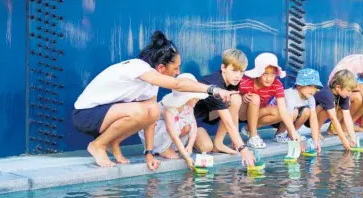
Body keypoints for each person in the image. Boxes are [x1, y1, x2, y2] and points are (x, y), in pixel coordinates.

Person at [72, 31, 238, 169]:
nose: (177, 72)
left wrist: (149, 153)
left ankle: (113, 144)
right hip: (86, 115)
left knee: (152, 110)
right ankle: (98, 145)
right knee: (141, 110)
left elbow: (150, 120)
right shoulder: (138, 67)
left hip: (107, 115)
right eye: (175, 68)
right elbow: (178, 84)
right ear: (160, 67)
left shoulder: (152, 83)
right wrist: (212, 89)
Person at [193, 49, 256, 166]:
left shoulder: (232, 83)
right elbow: (227, 121)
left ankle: (218, 143)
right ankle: (217, 143)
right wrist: (243, 148)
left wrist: (235, 142)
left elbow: (234, 112)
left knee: (236, 98)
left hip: (207, 116)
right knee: (206, 147)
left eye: (241, 72)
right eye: (234, 70)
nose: (238, 76)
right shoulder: (215, 85)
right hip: (191, 120)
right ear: (223, 67)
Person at [137, 73, 206, 171]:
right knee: (175, 125)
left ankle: (170, 147)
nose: (198, 99)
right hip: (155, 131)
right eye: (195, 97)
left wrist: (190, 146)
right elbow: (172, 133)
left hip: (172, 129)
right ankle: (163, 149)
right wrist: (186, 157)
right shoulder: (169, 108)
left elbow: (193, 126)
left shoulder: (189, 107)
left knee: (187, 127)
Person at [238, 52, 302, 148]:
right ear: (258, 73)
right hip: (241, 113)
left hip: (258, 112)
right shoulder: (246, 81)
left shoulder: (277, 84)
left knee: (285, 112)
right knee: (255, 98)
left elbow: (283, 110)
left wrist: (292, 132)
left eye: (272, 74)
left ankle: (248, 129)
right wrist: (242, 95)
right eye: (265, 74)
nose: (269, 78)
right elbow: (232, 97)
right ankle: (253, 136)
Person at [269, 68, 323, 152]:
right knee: (294, 112)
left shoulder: (311, 98)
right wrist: (297, 142)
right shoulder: (290, 94)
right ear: (298, 86)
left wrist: (315, 141)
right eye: (309, 86)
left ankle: (291, 134)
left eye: (315, 87)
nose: (313, 90)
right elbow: (288, 116)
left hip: (290, 118)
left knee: (307, 111)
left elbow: (313, 119)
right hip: (275, 118)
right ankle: (279, 134)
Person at [311, 70, 358, 150]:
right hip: (310, 119)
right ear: (338, 87)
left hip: (325, 118)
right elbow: (333, 119)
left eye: (351, 91)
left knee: (344, 105)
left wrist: (352, 137)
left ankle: (323, 129)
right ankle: (316, 130)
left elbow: (347, 117)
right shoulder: (327, 94)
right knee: (324, 107)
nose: (350, 93)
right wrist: (344, 141)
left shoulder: (344, 95)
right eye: (348, 90)